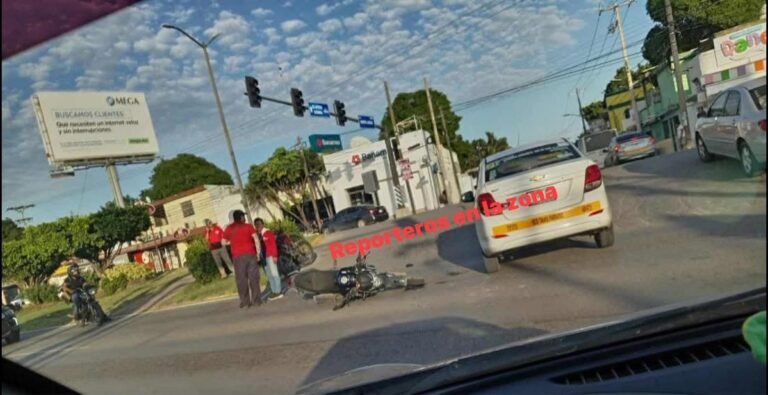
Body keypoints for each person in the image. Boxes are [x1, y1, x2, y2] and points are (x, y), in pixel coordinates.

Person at [223, 210, 262, 309]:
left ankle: (245, 302)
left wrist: (232, 242)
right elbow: (256, 239)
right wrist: (258, 253)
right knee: (253, 278)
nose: (244, 218)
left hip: (237, 257)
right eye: (243, 216)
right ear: (240, 217)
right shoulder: (248, 226)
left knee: (241, 279)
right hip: (250, 254)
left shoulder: (229, 228)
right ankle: (256, 300)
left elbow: (223, 242)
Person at [254, 218, 283, 301]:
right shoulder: (258, 235)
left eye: (259, 224)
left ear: (262, 224)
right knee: (269, 275)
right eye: (256, 225)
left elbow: (273, 244)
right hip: (264, 258)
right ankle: (274, 291)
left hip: (270, 256)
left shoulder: (267, 232)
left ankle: (278, 291)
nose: (258, 226)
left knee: (274, 274)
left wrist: (274, 256)